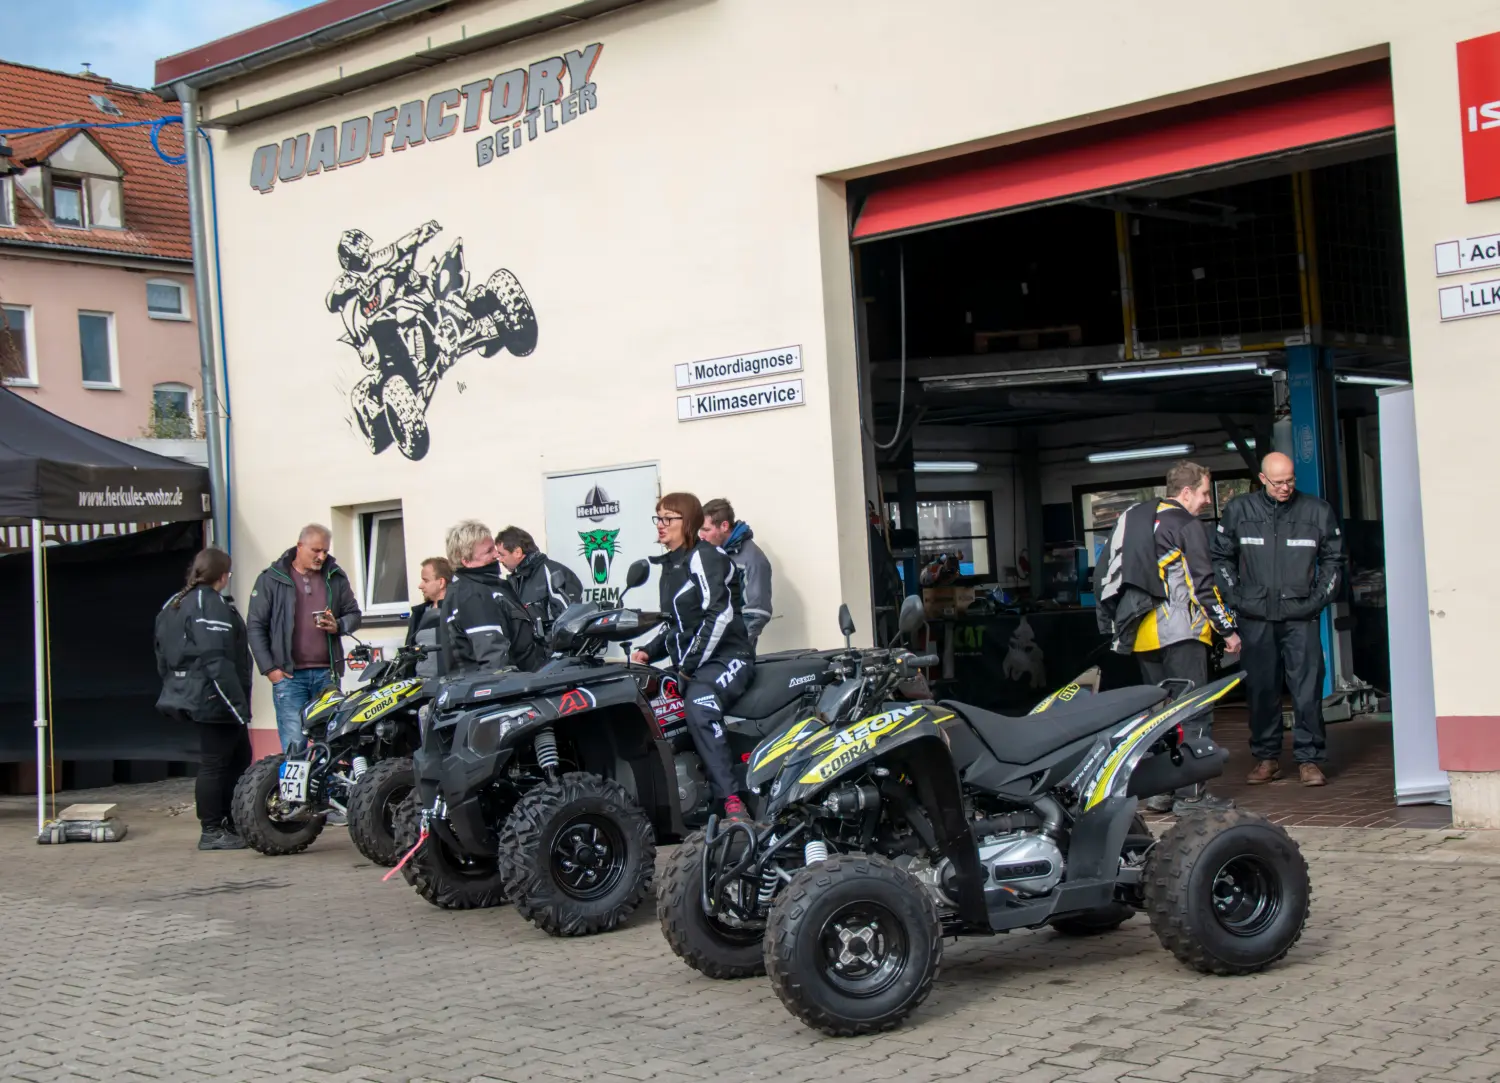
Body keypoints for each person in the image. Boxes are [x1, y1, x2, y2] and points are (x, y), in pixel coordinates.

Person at [1097, 461, 1241, 814]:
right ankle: (1191, 796)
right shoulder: (1186, 524)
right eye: (1205, 493)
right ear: (1187, 492)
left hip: (1142, 634)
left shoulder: (1137, 517)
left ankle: (1161, 792)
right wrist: (1227, 630)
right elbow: (1202, 586)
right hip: (1181, 632)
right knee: (1192, 712)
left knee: (1160, 716)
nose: (1208, 501)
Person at [1213, 451, 1345, 787]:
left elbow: (1333, 561)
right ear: (1262, 479)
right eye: (1277, 482)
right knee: (1261, 690)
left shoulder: (1317, 511)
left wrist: (1315, 601)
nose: (1284, 487)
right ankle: (1266, 758)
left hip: (1301, 615)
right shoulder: (1239, 510)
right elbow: (1221, 559)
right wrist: (1238, 599)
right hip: (1255, 616)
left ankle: (1310, 760)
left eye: (1290, 481)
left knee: (1307, 688)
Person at [630, 493, 756, 819]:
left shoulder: (706, 557)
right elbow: (677, 625)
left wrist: (686, 668)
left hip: (730, 656)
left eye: (667, 518)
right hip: (695, 662)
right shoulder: (671, 566)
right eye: (657, 518)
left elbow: (721, 616)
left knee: (698, 704)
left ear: (686, 522)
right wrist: (648, 651)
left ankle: (731, 800)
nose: (660, 525)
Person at [154, 548, 254, 851]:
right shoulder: (208, 605)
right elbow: (216, 660)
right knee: (215, 763)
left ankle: (230, 821)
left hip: (200, 694)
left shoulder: (174, 603)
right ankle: (212, 829)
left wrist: (175, 685)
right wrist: (237, 704)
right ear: (222, 575)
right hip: (215, 697)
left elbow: (161, 655)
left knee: (238, 758)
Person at [247, 523, 363, 754]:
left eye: (325, 551)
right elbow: (255, 626)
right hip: (289, 676)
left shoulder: (335, 577)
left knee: (329, 743)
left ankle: (325, 790)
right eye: (316, 550)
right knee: (294, 743)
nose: (321, 556)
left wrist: (338, 625)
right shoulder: (271, 579)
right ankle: (294, 791)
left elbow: (354, 615)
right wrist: (270, 670)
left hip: (326, 674)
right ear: (300, 546)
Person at [442, 520, 546, 674]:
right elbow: (494, 660)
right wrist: (517, 688)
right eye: (489, 551)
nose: (496, 554)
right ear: (467, 561)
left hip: (527, 680)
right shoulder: (472, 594)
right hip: (506, 691)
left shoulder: (488, 586)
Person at [699, 498, 773, 651]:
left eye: (706, 530)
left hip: (729, 654)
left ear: (724, 526)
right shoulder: (715, 553)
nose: (701, 535)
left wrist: (732, 648)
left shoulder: (752, 560)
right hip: (707, 647)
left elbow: (756, 613)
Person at [496, 526, 583, 641]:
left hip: (551, 655)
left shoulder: (552, 572)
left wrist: (548, 648)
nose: (500, 560)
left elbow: (571, 621)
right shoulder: (513, 581)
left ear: (517, 552)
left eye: (502, 554)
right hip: (526, 656)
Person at [406, 556, 452, 679]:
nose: (420, 586)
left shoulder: (456, 611)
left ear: (441, 582)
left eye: (425, 580)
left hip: (449, 686)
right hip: (420, 686)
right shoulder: (419, 613)